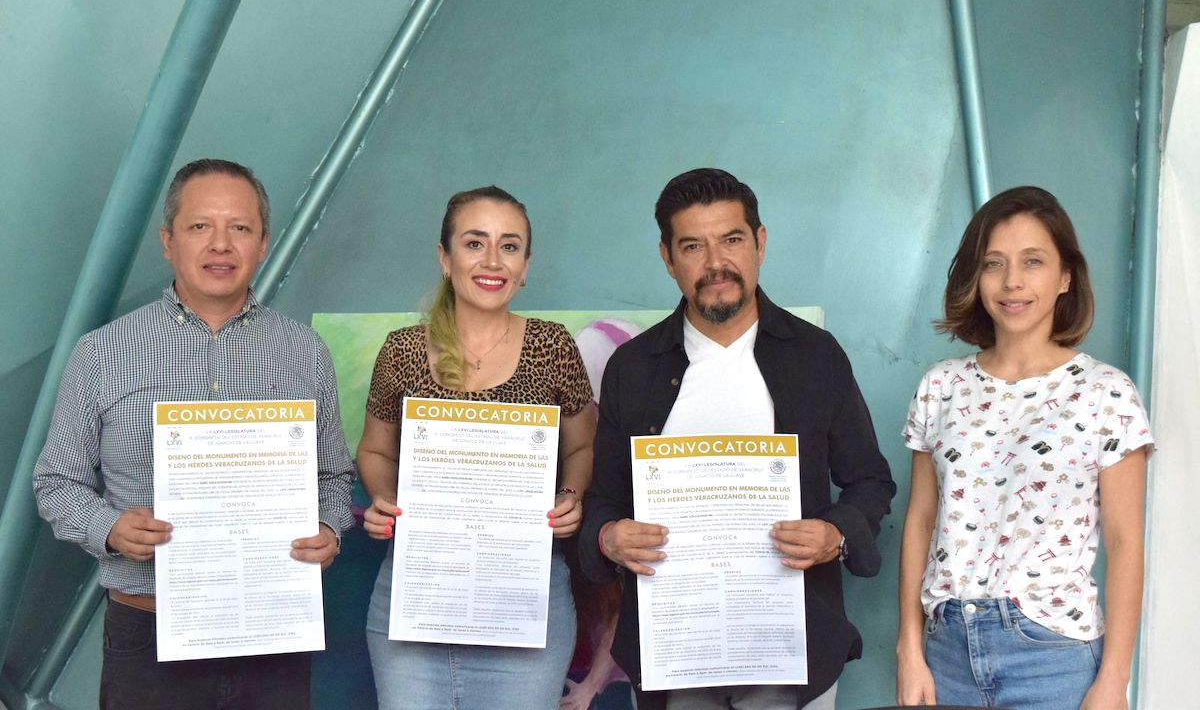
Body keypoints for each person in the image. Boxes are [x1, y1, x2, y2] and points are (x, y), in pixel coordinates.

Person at [33, 158, 356, 710]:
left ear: (263, 244)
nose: (220, 244)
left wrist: (329, 526)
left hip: (274, 629)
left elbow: (332, 475)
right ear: (168, 240)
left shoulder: (303, 351)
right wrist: (110, 528)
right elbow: (55, 482)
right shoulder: (103, 353)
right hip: (148, 636)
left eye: (240, 228)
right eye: (200, 226)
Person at [579, 168, 897, 710]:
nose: (715, 263)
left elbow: (870, 481)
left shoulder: (816, 355)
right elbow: (602, 499)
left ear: (760, 243)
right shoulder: (633, 367)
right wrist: (608, 538)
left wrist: (836, 534)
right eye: (692, 247)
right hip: (673, 650)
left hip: (793, 649)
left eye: (731, 240)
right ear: (667, 258)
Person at [896, 186, 1152, 710]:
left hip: (1053, 656)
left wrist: (1113, 681)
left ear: (1065, 277)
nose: (1012, 281)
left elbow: (1126, 542)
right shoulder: (941, 386)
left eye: (1033, 261)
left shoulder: (1106, 393)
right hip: (947, 652)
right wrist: (909, 650)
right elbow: (919, 521)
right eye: (994, 264)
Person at [357, 185, 596, 710]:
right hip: (416, 596)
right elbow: (374, 451)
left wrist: (571, 496)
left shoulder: (553, 346)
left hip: (525, 600)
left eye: (509, 246)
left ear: (525, 266)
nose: (492, 261)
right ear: (445, 259)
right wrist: (383, 500)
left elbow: (582, 446)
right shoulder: (401, 350)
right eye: (474, 243)